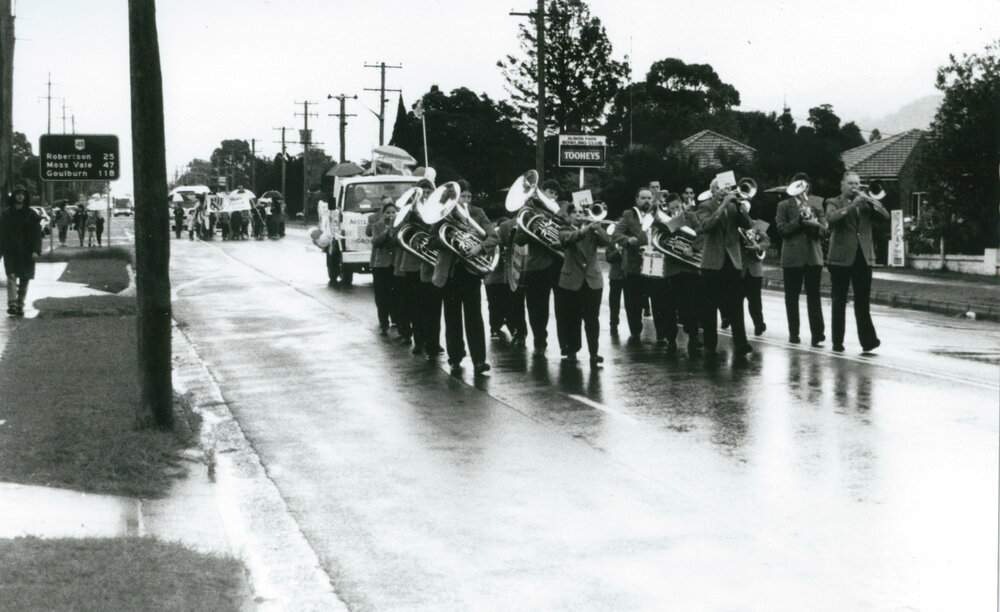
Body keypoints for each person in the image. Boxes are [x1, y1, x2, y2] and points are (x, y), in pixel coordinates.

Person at [432, 180, 499, 374]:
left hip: (470, 271)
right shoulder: (443, 213)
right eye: (463, 197)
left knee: (474, 317)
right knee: (452, 316)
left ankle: (479, 360)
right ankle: (455, 356)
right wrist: (452, 241)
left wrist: (479, 247)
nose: (466, 201)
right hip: (450, 271)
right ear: (455, 197)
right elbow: (432, 239)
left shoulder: (477, 213)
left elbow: (494, 236)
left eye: (469, 197)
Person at [825, 171, 888, 352]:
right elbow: (831, 219)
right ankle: (838, 342)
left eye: (857, 184)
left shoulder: (866, 203)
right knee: (839, 301)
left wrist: (874, 204)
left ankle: (868, 341)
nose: (855, 187)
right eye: (851, 184)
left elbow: (886, 217)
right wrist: (852, 205)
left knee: (863, 301)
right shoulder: (833, 201)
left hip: (863, 257)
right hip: (840, 259)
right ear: (842, 185)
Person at [696, 178, 754, 360]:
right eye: (721, 189)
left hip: (733, 260)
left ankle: (741, 342)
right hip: (713, 262)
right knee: (710, 306)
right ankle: (710, 345)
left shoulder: (734, 206)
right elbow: (706, 226)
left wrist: (739, 207)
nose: (725, 192)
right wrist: (723, 206)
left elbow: (748, 225)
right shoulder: (705, 206)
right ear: (712, 191)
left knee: (736, 304)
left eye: (728, 188)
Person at [514, 178, 565, 356]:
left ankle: (565, 343)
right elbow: (519, 239)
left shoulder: (563, 211)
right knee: (537, 308)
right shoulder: (528, 212)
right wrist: (533, 229)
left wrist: (556, 221)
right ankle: (539, 339)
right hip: (537, 266)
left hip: (560, 264)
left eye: (555, 193)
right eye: (549, 192)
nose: (553, 196)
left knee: (563, 308)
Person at [775, 172, 828, 345]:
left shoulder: (817, 203)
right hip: (792, 257)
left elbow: (825, 231)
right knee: (792, 297)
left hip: (813, 255)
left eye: (804, 185)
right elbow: (782, 230)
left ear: (809, 187)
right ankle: (794, 333)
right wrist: (799, 220)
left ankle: (817, 334)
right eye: (798, 185)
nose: (801, 188)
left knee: (814, 296)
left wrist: (815, 223)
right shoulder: (783, 205)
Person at [557, 203, 611, 366]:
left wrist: (597, 227)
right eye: (576, 212)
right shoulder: (563, 229)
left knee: (592, 319)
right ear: (569, 216)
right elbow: (568, 239)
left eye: (582, 212)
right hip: (571, 280)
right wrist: (586, 229)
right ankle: (572, 351)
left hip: (592, 280)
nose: (579, 215)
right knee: (572, 318)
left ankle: (594, 353)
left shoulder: (592, 230)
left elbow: (606, 241)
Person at [660, 193, 703, 353]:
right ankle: (671, 339)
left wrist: (693, 248)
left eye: (677, 207)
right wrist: (667, 241)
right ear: (667, 208)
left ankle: (693, 336)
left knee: (691, 304)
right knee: (669, 306)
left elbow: (702, 232)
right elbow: (660, 239)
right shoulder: (664, 220)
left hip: (689, 268)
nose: (675, 211)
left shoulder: (690, 216)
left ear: (682, 205)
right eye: (672, 208)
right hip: (671, 268)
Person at [613, 187, 653, 342]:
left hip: (654, 265)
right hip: (634, 265)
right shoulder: (629, 215)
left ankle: (664, 334)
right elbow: (616, 235)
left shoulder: (656, 214)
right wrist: (628, 240)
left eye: (649, 198)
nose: (647, 201)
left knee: (658, 300)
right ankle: (635, 330)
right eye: (643, 198)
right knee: (633, 302)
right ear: (637, 199)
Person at [0, 185, 42, 316]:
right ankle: (12, 304)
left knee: (25, 278)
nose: (20, 196)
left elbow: (37, 234)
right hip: (10, 251)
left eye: (22, 194)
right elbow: (1, 233)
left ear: (26, 197)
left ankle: (20, 304)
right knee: (11, 276)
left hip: (27, 251)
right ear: (14, 196)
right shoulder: (6, 214)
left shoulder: (32, 214)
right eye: (17, 194)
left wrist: (36, 250)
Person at [367, 200, 397, 335]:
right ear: (383, 214)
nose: (391, 215)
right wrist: (386, 231)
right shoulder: (377, 225)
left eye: (393, 212)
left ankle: (395, 318)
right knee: (381, 294)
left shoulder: (399, 225)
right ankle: (383, 321)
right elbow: (376, 242)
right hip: (379, 264)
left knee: (393, 294)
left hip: (394, 263)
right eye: (388, 212)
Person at [738, 220, 771, 337]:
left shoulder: (757, 225)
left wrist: (758, 246)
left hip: (754, 269)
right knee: (736, 301)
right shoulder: (733, 224)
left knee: (755, 301)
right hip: (739, 267)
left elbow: (767, 241)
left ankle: (758, 324)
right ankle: (734, 324)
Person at [605, 228, 624, 334]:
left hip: (628, 275)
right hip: (615, 275)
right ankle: (613, 322)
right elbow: (608, 258)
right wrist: (618, 251)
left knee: (632, 302)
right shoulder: (612, 242)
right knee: (614, 301)